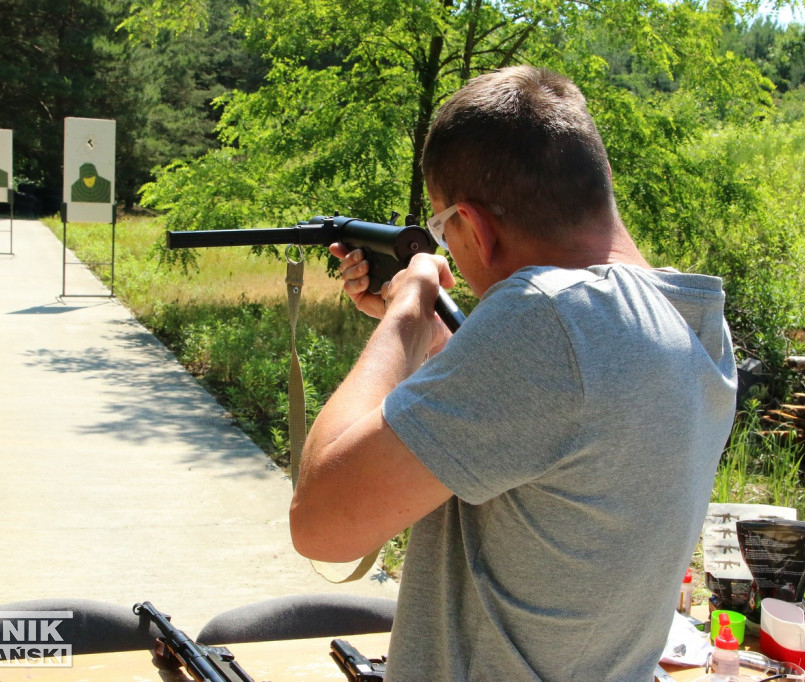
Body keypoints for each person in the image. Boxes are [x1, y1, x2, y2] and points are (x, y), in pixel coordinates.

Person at [289, 65, 737, 681]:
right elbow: (530, 439)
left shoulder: (551, 320)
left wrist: (408, 313)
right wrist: (431, 339)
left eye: (446, 235)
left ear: (472, 225)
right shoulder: (690, 320)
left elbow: (320, 523)